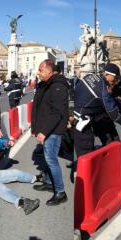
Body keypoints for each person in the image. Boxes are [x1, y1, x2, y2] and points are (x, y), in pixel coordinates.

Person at [73, 63, 121, 157]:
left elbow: (77, 89)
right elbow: (115, 114)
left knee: (112, 145)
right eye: (115, 78)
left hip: (88, 115)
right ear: (107, 74)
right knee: (86, 157)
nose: (116, 81)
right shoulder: (103, 91)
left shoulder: (91, 76)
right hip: (83, 123)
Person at [31, 59, 69, 206]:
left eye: (41, 70)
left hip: (52, 130)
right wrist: (36, 128)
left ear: (49, 71)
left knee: (51, 160)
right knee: (47, 159)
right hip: (45, 128)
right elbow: (39, 107)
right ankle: (48, 182)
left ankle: (60, 192)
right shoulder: (46, 84)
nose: (38, 73)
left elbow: (57, 113)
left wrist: (44, 132)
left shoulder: (57, 86)